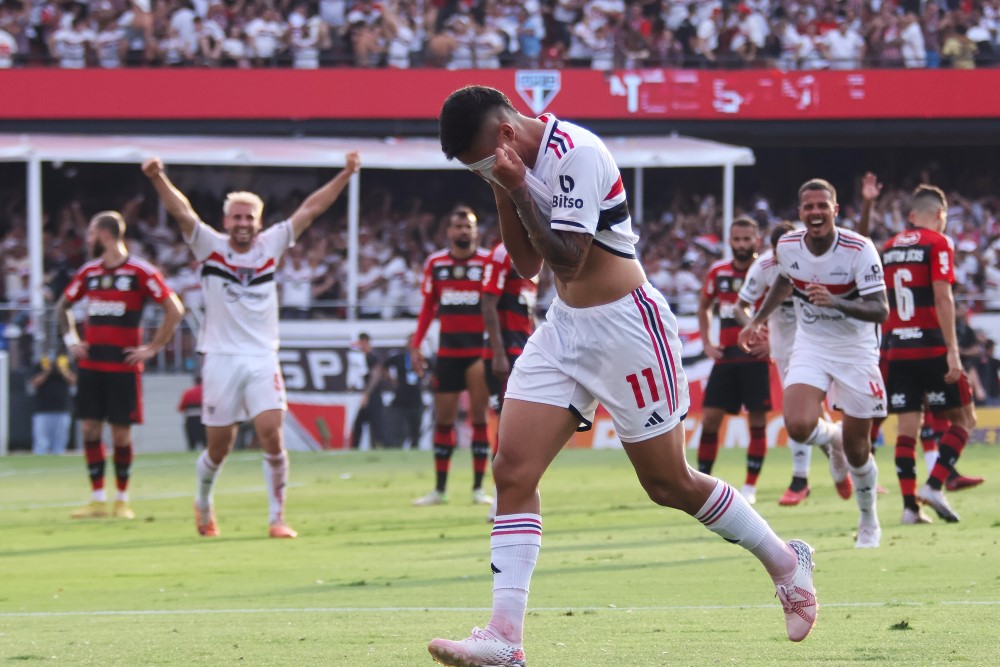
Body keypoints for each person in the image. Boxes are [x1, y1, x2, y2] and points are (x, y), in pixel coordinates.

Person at [427, 85, 817, 667]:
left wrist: (510, 185)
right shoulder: (511, 166)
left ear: (506, 133)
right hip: (565, 329)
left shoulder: (577, 151)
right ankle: (504, 638)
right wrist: (502, 188)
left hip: (628, 330)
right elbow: (529, 265)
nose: (486, 171)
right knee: (512, 470)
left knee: (669, 484)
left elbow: (569, 258)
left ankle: (787, 563)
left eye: (483, 160)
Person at [142, 150, 361, 538]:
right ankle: (204, 502)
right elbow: (183, 213)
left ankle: (277, 517)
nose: (243, 223)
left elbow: (311, 209)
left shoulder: (271, 245)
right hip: (221, 358)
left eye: (249, 217)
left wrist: (345, 173)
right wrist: (158, 177)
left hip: (262, 356)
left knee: (271, 434)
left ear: (259, 222)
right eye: (237, 217)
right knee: (219, 448)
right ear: (226, 222)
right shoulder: (209, 246)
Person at [739, 178, 888, 549]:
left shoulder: (859, 248)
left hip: (856, 350)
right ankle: (830, 437)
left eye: (823, 206)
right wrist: (758, 320)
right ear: (800, 212)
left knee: (858, 449)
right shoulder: (788, 246)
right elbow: (784, 283)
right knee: (799, 424)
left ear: (835, 210)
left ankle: (868, 518)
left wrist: (836, 302)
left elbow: (880, 309)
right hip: (812, 344)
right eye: (809, 207)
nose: (816, 212)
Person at [57, 211, 184, 519]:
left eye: (90, 233)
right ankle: (97, 498)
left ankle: (122, 499)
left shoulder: (140, 272)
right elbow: (63, 306)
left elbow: (174, 309)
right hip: (91, 366)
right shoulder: (89, 272)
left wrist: (152, 348)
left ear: (104, 235)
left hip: (123, 368)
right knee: (89, 428)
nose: (87, 239)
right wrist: (72, 340)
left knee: (120, 435)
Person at [882, 184, 979, 524]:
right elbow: (943, 297)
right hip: (931, 346)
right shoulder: (939, 243)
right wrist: (953, 351)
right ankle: (934, 484)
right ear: (940, 215)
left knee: (907, 428)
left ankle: (910, 508)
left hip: (897, 348)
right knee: (965, 420)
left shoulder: (889, 247)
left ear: (911, 216)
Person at [737, 221, 853, 506]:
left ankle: (853, 467)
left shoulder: (820, 259)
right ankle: (802, 479)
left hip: (830, 342)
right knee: (801, 413)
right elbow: (741, 306)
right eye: (777, 254)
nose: (780, 260)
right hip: (790, 351)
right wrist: (757, 328)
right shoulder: (764, 267)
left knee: (830, 413)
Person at [410, 207, 494, 507]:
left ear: (475, 231)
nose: (463, 231)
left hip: (477, 351)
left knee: (478, 419)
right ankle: (440, 490)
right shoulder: (436, 263)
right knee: (443, 421)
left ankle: (477, 489)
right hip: (447, 351)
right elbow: (428, 307)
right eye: (458, 226)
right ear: (449, 231)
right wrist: (416, 343)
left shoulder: (486, 262)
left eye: (468, 226)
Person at [695, 217, 774, 505]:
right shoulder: (718, 271)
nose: (741, 245)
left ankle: (750, 487)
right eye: (736, 239)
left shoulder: (766, 271)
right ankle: (702, 480)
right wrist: (706, 342)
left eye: (746, 239)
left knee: (757, 421)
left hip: (755, 356)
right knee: (710, 420)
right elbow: (703, 306)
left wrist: (772, 341)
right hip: (726, 356)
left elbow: (783, 308)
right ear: (730, 240)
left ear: (757, 240)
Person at [481, 240, 539, 520]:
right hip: (506, 353)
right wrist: (497, 353)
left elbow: (528, 310)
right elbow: (488, 302)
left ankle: (515, 495)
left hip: (525, 350)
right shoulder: (503, 253)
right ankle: (500, 500)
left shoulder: (535, 252)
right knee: (507, 429)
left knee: (524, 430)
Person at [383, 336, 427, 449]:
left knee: (415, 433)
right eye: (411, 342)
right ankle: (398, 457)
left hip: (416, 400)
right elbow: (384, 366)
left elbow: (428, 372)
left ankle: (414, 456)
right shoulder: (400, 358)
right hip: (400, 400)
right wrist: (391, 380)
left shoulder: (422, 360)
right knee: (399, 432)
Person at [29, 351, 77, 455]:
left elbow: (74, 380)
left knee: (60, 445)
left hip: (62, 409)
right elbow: (33, 383)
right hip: (42, 410)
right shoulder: (40, 363)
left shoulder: (67, 363)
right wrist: (47, 371)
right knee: (41, 444)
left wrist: (63, 370)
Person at [349, 332, 384, 449]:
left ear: (365, 342)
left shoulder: (372, 356)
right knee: (359, 423)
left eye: (361, 342)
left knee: (374, 425)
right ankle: (355, 447)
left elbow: (376, 376)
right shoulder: (362, 357)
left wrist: (366, 394)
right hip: (369, 395)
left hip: (373, 396)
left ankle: (376, 448)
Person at [177, 374, 205, 452]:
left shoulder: (188, 392)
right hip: (204, 420)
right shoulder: (208, 392)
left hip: (191, 420)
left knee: (192, 443)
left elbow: (181, 408)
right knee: (205, 442)